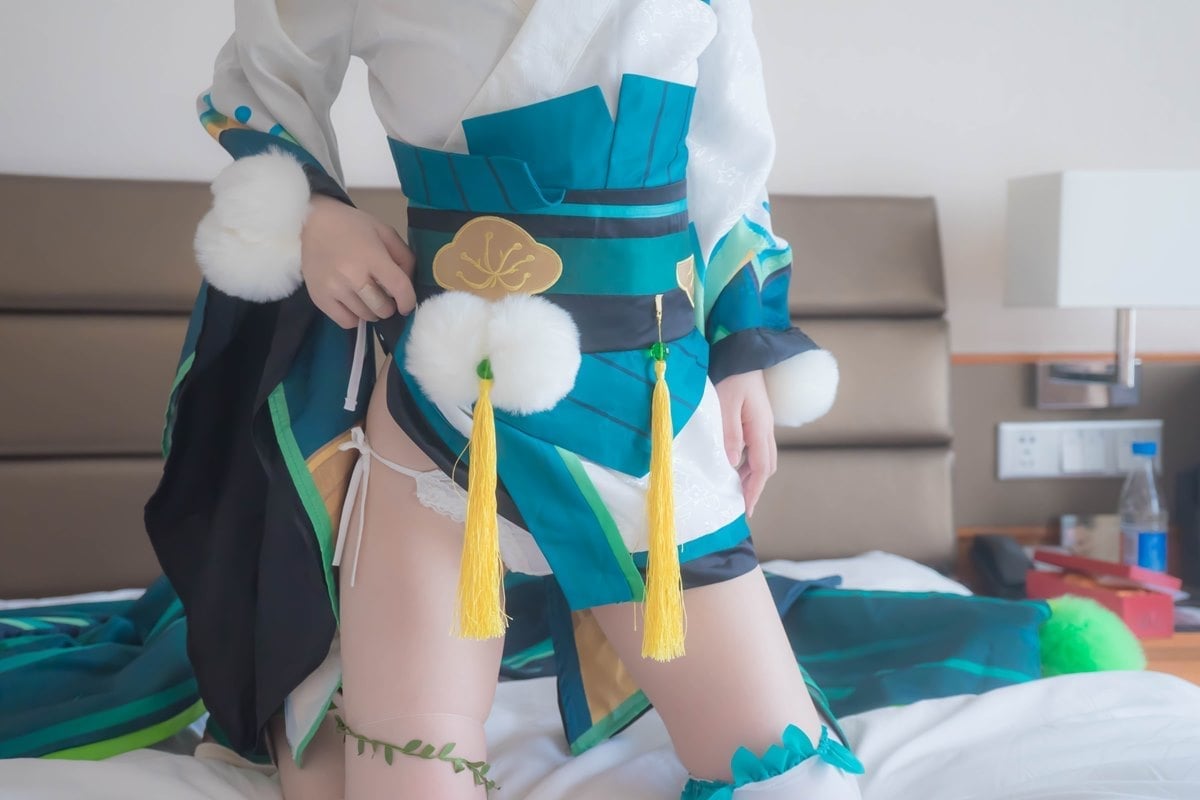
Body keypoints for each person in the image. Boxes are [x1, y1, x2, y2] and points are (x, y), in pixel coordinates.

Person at [145, 1, 858, 798]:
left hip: (645, 417)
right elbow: (258, 84)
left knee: (788, 780)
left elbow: (731, 160)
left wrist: (744, 346)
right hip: (437, 419)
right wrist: (312, 213)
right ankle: (309, 706)